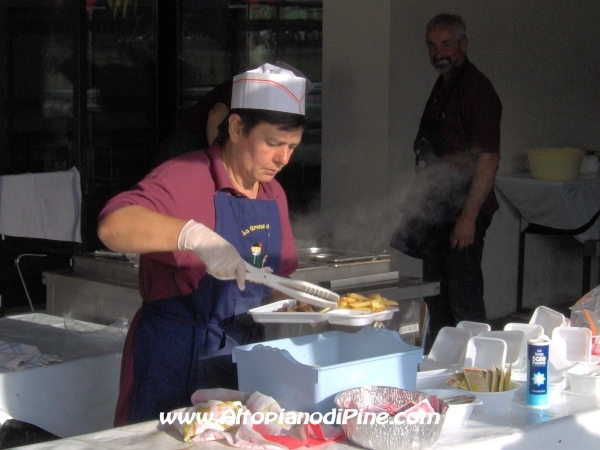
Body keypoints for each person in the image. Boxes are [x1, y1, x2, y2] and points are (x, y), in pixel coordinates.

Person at [97, 63, 308, 426]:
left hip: (240, 359)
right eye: (273, 144)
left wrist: (304, 306)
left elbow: (276, 282)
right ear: (237, 127)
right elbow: (112, 225)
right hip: (172, 358)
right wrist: (192, 236)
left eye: (292, 147)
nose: (283, 159)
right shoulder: (185, 174)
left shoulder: (274, 193)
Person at [392, 14, 502, 340]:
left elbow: (488, 159)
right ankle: (441, 370)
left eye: (446, 45)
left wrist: (468, 218)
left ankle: (477, 369)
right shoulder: (444, 84)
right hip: (437, 210)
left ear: (463, 46)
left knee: (463, 300)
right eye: (432, 45)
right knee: (436, 296)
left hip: (463, 210)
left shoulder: (477, 91)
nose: (438, 52)